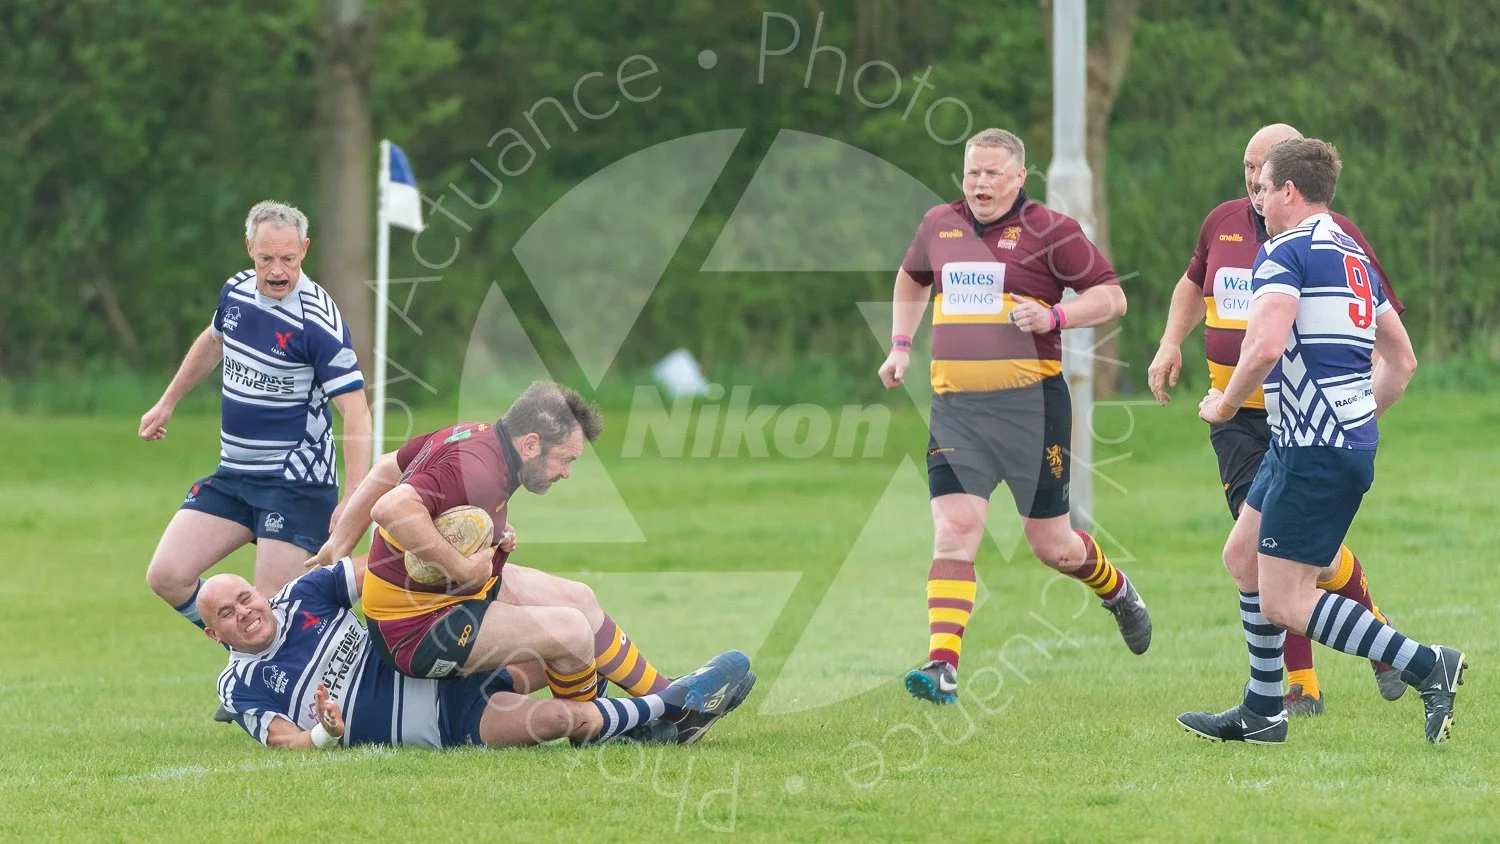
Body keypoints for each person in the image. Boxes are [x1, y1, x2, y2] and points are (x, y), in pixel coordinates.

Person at [1178, 138, 1465, 745]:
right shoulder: (1351, 253)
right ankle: (1263, 711)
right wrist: (1359, 417)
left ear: (1288, 191)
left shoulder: (1284, 250)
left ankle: (1424, 663)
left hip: (1313, 446)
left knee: (1286, 600)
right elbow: (1403, 360)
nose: (1255, 197)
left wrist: (1224, 405)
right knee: (1242, 557)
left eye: (1263, 186)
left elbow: (1263, 346)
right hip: (1313, 441)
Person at [307, 381, 751, 744]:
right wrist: (462, 568)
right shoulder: (479, 467)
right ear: (532, 443)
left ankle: (672, 706)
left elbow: (388, 466)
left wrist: (338, 544)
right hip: (413, 629)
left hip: (446, 598)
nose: (566, 472)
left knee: (580, 599)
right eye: (566, 459)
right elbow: (393, 508)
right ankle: (610, 731)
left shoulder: (477, 435)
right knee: (571, 632)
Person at [878, 128, 1151, 706]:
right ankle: (943, 665)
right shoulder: (939, 224)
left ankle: (1118, 590)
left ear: (1020, 177)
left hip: (1032, 409)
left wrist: (1054, 316)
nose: (980, 183)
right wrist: (901, 344)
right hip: (956, 411)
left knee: (1052, 546)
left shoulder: (1052, 232)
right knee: (954, 532)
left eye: (993, 173)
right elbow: (911, 277)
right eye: (972, 171)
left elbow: (1111, 296)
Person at [1147, 124, 1406, 716]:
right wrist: (1170, 344)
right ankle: (1291, 690)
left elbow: (1367, 332)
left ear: (1289, 182)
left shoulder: (1323, 240)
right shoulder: (1223, 223)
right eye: (1247, 166)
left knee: (1282, 553)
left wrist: (1343, 401)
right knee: (1253, 549)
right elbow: (1192, 287)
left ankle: (1387, 646)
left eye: (1262, 170)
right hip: (1242, 421)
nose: (1252, 183)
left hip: (1294, 420)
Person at [200, 559, 751, 748]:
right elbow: (286, 741)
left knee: (568, 632)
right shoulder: (239, 685)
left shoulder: (302, 595)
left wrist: (454, 563)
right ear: (213, 634)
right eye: (227, 614)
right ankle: (667, 713)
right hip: (449, 719)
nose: (247, 612)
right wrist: (327, 731)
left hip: (455, 663)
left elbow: (386, 572)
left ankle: (656, 701)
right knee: (558, 718)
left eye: (244, 596)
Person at [140, 200, 371, 628]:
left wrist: (354, 496)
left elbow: (356, 412)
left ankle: (280, 687)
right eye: (267, 258)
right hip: (235, 477)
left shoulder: (318, 320)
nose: (278, 270)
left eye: (288, 258)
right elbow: (213, 342)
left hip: (295, 485)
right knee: (168, 575)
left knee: (272, 611)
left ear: (305, 248)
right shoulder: (236, 292)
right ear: (250, 248)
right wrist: (167, 401)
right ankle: (248, 662)